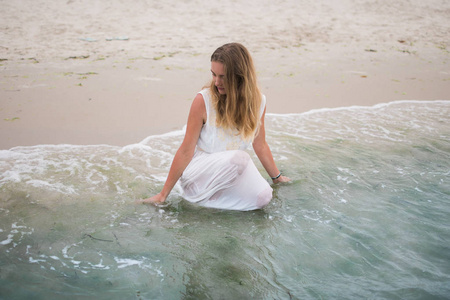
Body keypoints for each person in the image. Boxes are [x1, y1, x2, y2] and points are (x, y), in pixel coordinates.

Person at [141, 43, 290, 210]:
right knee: (240, 159)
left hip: (230, 172)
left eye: (223, 76)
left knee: (263, 197)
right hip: (198, 173)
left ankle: (215, 203)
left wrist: (277, 178)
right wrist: (163, 195)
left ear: (240, 76)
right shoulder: (203, 100)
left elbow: (260, 144)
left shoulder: (258, 102)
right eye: (214, 75)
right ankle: (204, 196)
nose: (217, 82)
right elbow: (186, 149)